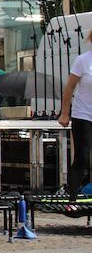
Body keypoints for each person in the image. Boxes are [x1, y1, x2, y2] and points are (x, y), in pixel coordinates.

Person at [57, 30, 92, 199]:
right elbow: (69, 88)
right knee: (82, 157)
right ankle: (72, 197)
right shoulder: (83, 60)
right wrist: (65, 113)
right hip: (83, 115)